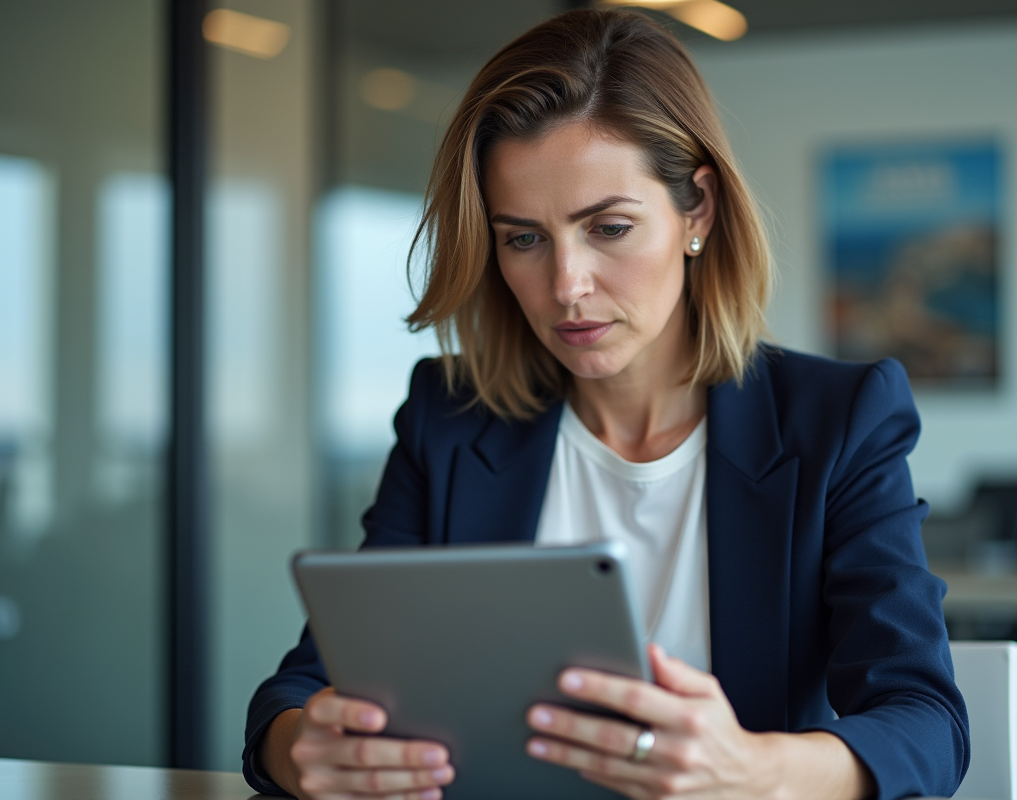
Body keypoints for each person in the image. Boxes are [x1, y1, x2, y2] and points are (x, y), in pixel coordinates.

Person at [243, 9, 969, 800]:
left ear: (698, 211)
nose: (566, 287)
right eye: (523, 238)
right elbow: (302, 691)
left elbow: (926, 721)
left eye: (610, 227)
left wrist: (755, 771)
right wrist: (299, 753)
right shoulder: (449, 419)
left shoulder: (837, 421)